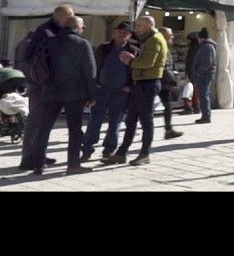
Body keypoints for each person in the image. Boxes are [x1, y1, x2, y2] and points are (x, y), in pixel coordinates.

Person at [32, 15, 97, 176]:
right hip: (75, 93)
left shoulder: (49, 42)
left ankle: (38, 164)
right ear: (77, 27)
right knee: (74, 130)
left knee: (44, 128)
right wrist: (91, 95)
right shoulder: (83, 44)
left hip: (51, 91)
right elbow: (90, 71)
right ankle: (73, 165)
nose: (83, 30)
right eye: (82, 27)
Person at [102, 14, 168, 166]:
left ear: (149, 26)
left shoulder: (154, 40)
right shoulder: (148, 39)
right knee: (131, 120)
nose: (136, 29)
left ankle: (144, 153)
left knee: (146, 120)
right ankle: (122, 152)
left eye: (139, 26)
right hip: (141, 84)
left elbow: (147, 63)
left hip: (148, 83)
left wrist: (130, 60)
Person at [18, 4, 73, 172]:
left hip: (48, 83)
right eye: (69, 16)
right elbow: (30, 56)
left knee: (44, 121)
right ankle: (28, 157)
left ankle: (39, 153)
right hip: (40, 83)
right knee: (35, 119)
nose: (71, 19)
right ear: (58, 16)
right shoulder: (46, 31)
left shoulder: (55, 30)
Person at [80, 22, 133, 162]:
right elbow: (94, 66)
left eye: (125, 32)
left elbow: (134, 70)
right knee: (94, 120)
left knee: (115, 122)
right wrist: (93, 85)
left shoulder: (132, 50)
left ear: (129, 35)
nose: (121, 34)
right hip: (102, 88)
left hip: (120, 91)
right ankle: (87, 149)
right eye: (119, 31)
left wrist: (129, 85)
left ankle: (109, 149)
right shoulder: (103, 48)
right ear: (115, 32)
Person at [156, 27, 183, 140]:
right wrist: (172, 82)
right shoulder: (161, 47)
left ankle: (168, 129)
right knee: (166, 105)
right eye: (170, 34)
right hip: (161, 81)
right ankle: (168, 129)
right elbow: (165, 66)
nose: (172, 36)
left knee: (166, 104)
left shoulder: (163, 46)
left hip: (160, 80)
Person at [190, 28, 217, 124]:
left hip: (204, 75)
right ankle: (206, 115)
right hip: (205, 74)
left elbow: (206, 63)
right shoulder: (208, 46)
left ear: (201, 38)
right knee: (204, 94)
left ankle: (206, 116)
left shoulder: (206, 47)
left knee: (203, 94)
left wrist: (198, 72)